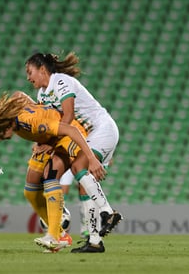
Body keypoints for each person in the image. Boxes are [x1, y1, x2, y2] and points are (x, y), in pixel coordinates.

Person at [0, 92, 106, 252]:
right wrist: (39, 106)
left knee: (50, 176)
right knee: (30, 191)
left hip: (70, 136)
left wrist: (91, 158)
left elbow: (70, 130)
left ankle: (54, 236)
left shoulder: (31, 122)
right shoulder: (16, 116)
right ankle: (61, 235)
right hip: (47, 139)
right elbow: (19, 94)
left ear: (2, 125)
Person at [25, 51, 122, 253]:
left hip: (101, 129)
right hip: (83, 135)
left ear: (42, 69)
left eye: (30, 71)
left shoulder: (61, 81)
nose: (28, 77)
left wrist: (50, 145)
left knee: (79, 166)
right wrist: (41, 143)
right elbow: (51, 125)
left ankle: (107, 212)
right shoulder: (41, 94)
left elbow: (67, 117)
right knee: (69, 179)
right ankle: (94, 241)